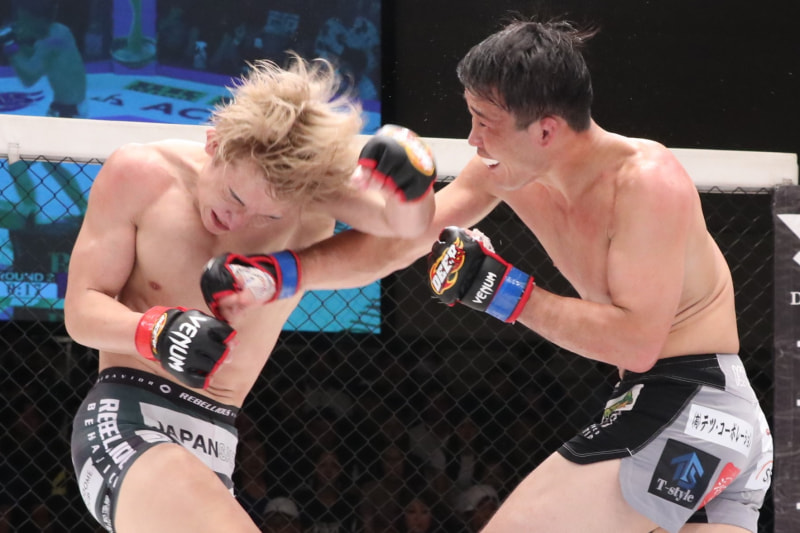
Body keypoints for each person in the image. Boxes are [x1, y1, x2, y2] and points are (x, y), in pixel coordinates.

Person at [214, 17, 774, 533]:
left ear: (546, 131)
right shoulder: (507, 173)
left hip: (694, 403)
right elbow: (405, 242)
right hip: (688, 413)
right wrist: (284, 272)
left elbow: (637, 342)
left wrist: (505, 292)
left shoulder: (645, 184)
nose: (472, 139)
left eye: (484, 122)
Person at [64, 52, 437, 533]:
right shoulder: (141, 174)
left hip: (218, 442)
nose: (238, 222)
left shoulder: (303, 199)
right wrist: (154, 331)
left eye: (267, 217)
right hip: (127, 416)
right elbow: (81, 311)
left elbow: (404, 230)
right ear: (215, 143)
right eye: (235, 197)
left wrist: (413, 186)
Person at [0, 0, 88, 221]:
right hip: (66, 109)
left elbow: (29, 77)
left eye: (24, 19)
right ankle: (84, 208)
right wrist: (20, 42)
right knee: (50, 164)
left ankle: (29, 209)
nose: (20, 23)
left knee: (17, 161)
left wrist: (10, 45)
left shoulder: (50, 41)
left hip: (66, 113)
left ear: (36, 19)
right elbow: (40, 55)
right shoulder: (61, 31)